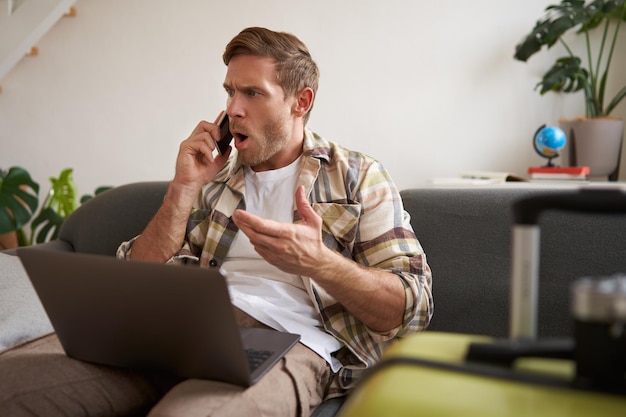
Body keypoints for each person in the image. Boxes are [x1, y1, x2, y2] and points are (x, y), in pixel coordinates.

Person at [0, 27, 432, 417]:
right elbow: (136, 277)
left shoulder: (357, 175)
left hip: (288, 340)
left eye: (252, 93)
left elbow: (411, 308)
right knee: (11, 386)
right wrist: (183, 187)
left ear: (301, 102)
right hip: (181, 330)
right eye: (229, 92)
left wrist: (319, 262)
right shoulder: (215, 183)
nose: (233, 109)